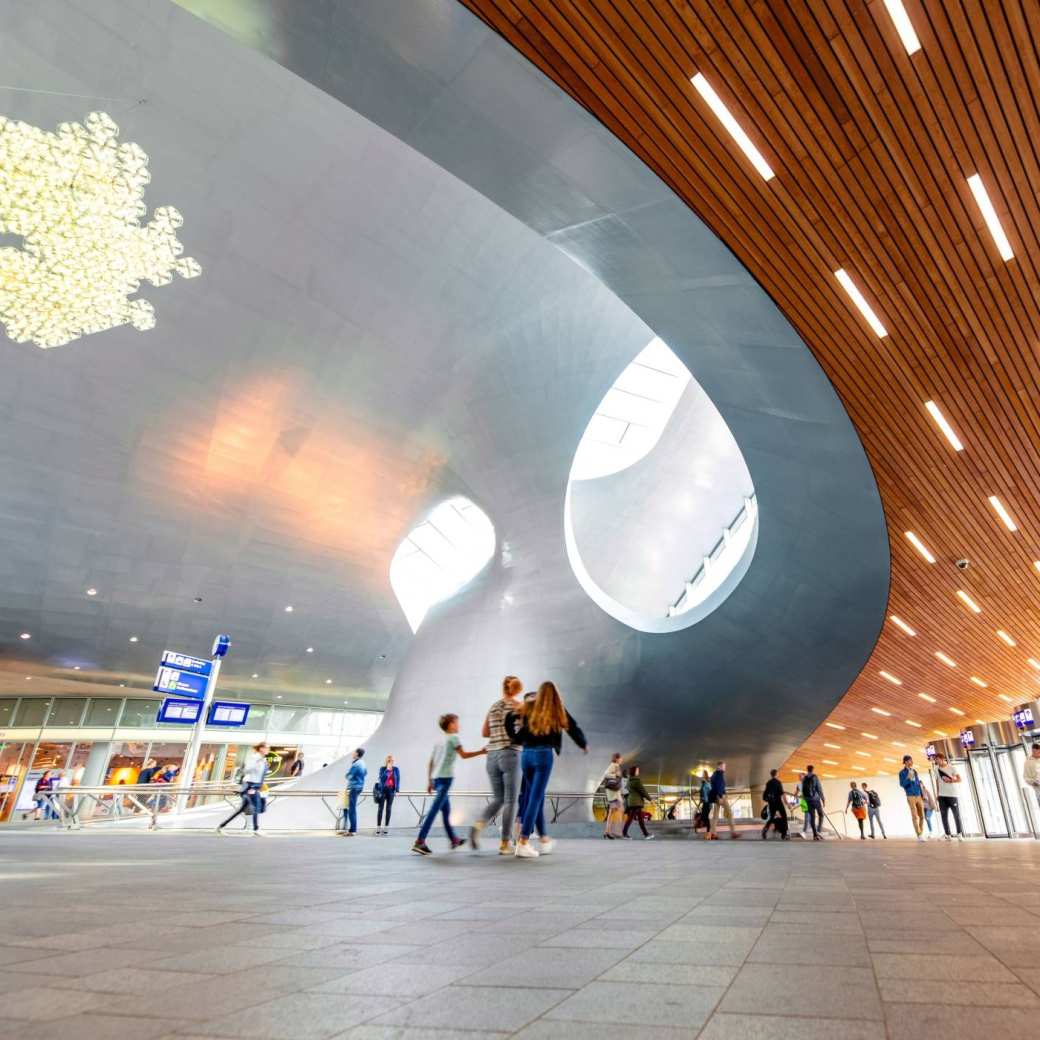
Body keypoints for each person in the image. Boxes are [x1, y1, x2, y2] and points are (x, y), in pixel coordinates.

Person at [504, 681, 588, 859]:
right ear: (555, 695)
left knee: (536, 797)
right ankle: (524, 841)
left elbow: (509, 718)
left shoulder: (530, 706)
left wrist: (515, 738)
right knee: (535, 797)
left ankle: (543, 839)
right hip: (543, 755)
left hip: (526, 755)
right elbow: (573, 728)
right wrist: (583, 744)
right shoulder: (557, 709)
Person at [412, 715, 486, 856]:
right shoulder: (453, 739)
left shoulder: (439, 741)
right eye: (457, 723)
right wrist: (481, 752)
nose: (458, 726)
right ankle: (420, 841)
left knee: (446, 811)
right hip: (445, 780)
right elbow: (464, 755)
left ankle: (454, 840)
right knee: (434, 810)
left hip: (436, 779)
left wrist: (429, 781)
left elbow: (431, 762)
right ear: (450, 724)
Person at [471, 676, 524, 855]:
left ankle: (479, 825)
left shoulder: (493, 706)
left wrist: (497, 730)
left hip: (491, 756)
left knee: (498, 799)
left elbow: (485, 732)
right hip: (510, 754)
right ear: (517, 690)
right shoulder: (518, 707)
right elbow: (525, 731)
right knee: (511, 800)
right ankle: (504, 844)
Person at [217, 742, 269, 835]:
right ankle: (256, 829)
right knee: (256, 807)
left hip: (256, 786)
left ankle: (221, 826)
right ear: (261, 748)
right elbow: (246, 770)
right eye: (266, 748)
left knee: (242, 809)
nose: (268, 750)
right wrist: (256, 765)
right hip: (250, 786)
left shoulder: (263, 760)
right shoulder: (254, 758)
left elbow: (261, 775)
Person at [932, 754, 965, 840]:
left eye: (937, 759)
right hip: (942, 796)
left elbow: (959, 779)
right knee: (943, 816)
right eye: (935, 760)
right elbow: (937, 782)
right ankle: (947, 834)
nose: (936, 761)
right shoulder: (936, 769)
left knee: (956, 815)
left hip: (952, 795)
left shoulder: (951, 767)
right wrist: (937, 794)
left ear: (942, 759)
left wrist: (951, 780)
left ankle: (959, 834)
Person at [621, 765, 655, 839]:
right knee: (631, 819)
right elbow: (643, 791)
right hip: (636, 802)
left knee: (639, 819)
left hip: (632, 801)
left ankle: (646, 834)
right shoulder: (636, 781)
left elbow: (628, 789)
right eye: (637, 770)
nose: (638, 771)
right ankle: (624, 833)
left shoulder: (629, 781)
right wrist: (650, 799)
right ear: (634, 771)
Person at [707, 761, 738, 840]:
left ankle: (713, 833)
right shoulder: (719, 774)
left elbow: (714, 786)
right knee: (729, 813)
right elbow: (719, 786)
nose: (725, 768)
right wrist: (720, 797)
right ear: (720, 766)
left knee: (715, 815)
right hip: (721, 796)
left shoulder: (714, 774)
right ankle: (733, 832)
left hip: (716, 796)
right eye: (724, 766)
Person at [898, 755, 926, 841]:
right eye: (910, 760)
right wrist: (908, 778)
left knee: (922, 816)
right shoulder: (902, 773)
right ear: (906, 762)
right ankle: (919, 835)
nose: (912, 762)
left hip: (918, 795)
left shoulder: (914, 771)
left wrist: (922, 794)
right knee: (914, 816)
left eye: (912, 760)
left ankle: (921, 833)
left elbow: (918, 782)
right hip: (910, 796)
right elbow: (902, 784)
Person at [342, 748, 366, 836]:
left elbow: (349, 776)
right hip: (360, 786)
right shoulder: (362, 763)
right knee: (351, 808)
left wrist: (347, 775)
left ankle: (352, 830)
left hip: (354, 787)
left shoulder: (356, 764)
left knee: (351, 809)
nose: (352, 753)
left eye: (354, 752)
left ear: (357, 754)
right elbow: (365, 773)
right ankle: (351, 829)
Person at [602, 752, 624, 839]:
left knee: (611, 812)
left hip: (613, 793)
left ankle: (607, 831)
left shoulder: (616, 766)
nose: (622, 759)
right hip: (614, 794)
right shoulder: (614, 765)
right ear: (617, 758)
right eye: (621, 758)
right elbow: (606, 774)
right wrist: (615, 775)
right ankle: (617, 832)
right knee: (620, 809)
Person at [375, 754, 399, 835]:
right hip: (382, 790)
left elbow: (398, 779)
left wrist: (397, 790)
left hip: (391, 791)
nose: (390, 762)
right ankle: (378, 827)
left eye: (391, 760)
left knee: (388, 809)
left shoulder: (396, 769)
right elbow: (381, 778)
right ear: (386, 761)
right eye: (389, 760)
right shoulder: (382, 769)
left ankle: (386, 827)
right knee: (380, 808)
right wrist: (387, 770)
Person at [762, 769, 788, 839]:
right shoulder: (778, 782)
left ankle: (765, 829)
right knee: (784, 817)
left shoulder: (768, 782)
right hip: (778, 802)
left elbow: (766, 793)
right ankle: (784, 834)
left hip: (771, 803)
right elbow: (782, 793)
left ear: (771, 775)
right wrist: (787, 803)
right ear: (776, 774)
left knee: (771, 817)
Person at [802, 765, 825, 840]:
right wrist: (823, 799)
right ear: (813, 770)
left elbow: (803, 790)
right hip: (815, 800)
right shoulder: (815, 777)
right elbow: (819, 788)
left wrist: (805, 799)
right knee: (821, 814)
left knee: (812, 817)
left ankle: (815, 835)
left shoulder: (804, 778)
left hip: (808, 800)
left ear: (807, 770)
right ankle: (819, 831)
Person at [1023, 743, 1040, 813]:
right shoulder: (1028, 762)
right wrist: (1034, 782)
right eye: (1038, 752)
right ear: (1033, 751)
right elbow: (1026, 778)